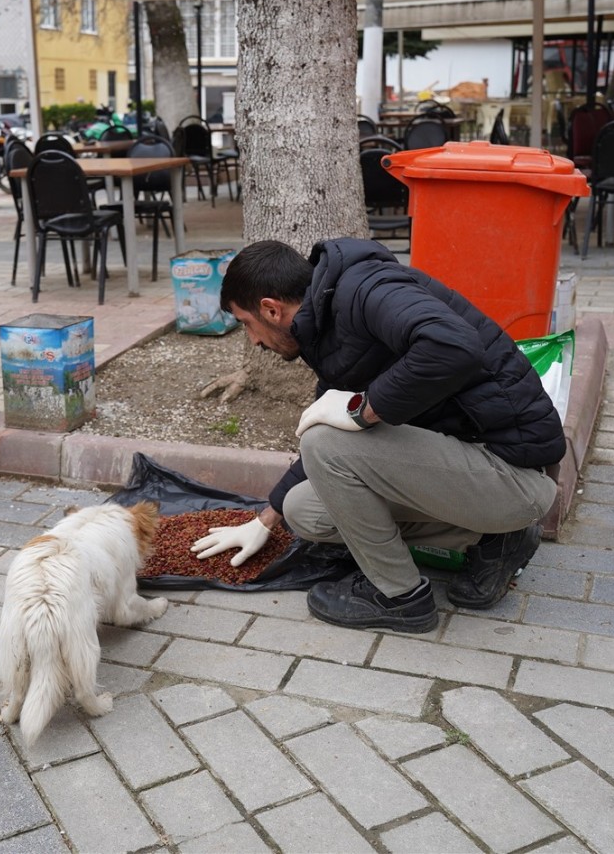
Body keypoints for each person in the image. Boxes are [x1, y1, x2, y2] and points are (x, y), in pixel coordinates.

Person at [191, 238, 564, 634]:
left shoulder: (367, 289)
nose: (254, 341)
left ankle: (402, 598)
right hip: (474, 470)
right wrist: (265, 520)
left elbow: (453, 346)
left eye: (247, 324)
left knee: (321, 440)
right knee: (304, 510)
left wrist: (361, 410)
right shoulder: (326, 326)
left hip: (516, 475)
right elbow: (337, 451)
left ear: (271, 308)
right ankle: (497, 538)